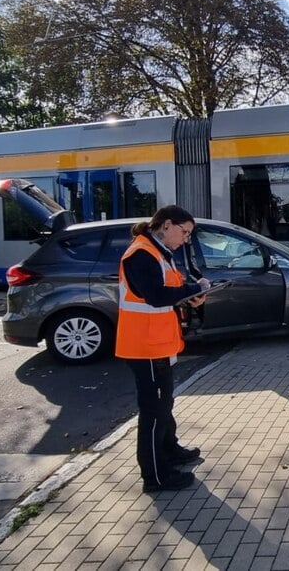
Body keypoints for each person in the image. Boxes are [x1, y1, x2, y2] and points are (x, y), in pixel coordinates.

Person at [116, 205, 212, 493]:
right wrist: (191, 291)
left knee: (163, 405)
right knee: (154, 411)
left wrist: (190, 295)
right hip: (144, 346)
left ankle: (170, 451)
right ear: (166, 225)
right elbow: (156, 296)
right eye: (184, 232)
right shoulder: (142, 253)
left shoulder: (158, 252)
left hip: (156, 343)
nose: (185, 239)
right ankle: (156, 476)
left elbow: (166, 292)